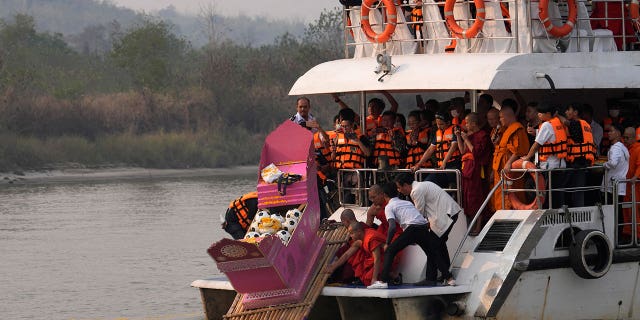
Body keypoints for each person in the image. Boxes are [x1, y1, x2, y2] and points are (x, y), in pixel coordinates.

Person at [367, 183, 448, 289]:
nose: (372, 200)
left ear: (383, 194)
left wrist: (388, 243)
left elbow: (393, 226)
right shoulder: (404, 203)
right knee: (432, 251)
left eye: (374, 197)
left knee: (390, 250)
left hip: (404, 231)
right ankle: (449, 277)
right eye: (370, 198)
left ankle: (383, 280)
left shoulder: (390, 206)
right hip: (414, 228)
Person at [394, 173, 458, 286]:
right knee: (439, 245)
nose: (399, 191)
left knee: (432, 246)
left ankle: (433, 277)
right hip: (448, 213)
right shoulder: (421, 185)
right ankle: (444, 274)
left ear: (405, 185)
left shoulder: (416, 191)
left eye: (399, 187)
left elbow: (419, 213)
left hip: (445, 216)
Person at [521, 103, 568, 208]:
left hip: (549, 166)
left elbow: (536, 144)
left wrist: (527, 158)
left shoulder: (546, 125)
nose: (539, 115)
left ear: (548, 113)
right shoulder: (558, 123)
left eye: (541, 113)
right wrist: (537, 132)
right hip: (560, 165)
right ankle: (559, 214)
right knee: (557, 194)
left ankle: (550, 215)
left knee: (549, 196)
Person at [456, 113, 492, 234]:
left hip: (476, 170)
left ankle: (478, 226)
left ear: (473, 123)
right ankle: (471, 225)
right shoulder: (469, 135)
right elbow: (462, 151)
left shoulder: (483, 135)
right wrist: (459, 137)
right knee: (468, 198)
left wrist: (466, 139)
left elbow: (477, 152)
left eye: (467, 122)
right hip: (467, 169)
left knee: (477, 197)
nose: (465, 125)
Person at [492, 105, 530, 210]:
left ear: (508, 116)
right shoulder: (505, 130)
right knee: (500, 195)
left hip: (509, 169)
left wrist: (509, 163)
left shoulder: (517, 128)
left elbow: (519, 150)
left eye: (501, 117)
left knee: (511, 194)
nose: (499, 120)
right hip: (500, 169)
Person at [411, 112, 461, 188]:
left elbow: (454, 146)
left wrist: (444, 162)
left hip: (453, 166)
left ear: (448, 122)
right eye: (437, 124)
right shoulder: (438, 133)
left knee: (452, 188)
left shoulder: (454, 129)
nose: (439, 126)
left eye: (441, 124)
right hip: (441, 167)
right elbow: (430, 149)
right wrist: (419, 164)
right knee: (427, 183)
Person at [564, 103, 596, 207]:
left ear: (575, 112)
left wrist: (556, 116)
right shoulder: (585, 124)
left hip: (577, 163)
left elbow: (568, 123)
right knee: (577, 190)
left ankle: (576, 213)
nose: (566, 113)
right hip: (582, 161)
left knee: (573, 190)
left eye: (568, 110)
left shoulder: (577, 124)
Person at [601, 124, 629, 205]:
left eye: (611, 131)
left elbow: (613, 163)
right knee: (617, 210)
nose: (608, 133)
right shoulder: (623, 147)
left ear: (618, 133)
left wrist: (604, 164)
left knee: (610, 211)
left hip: (612, 185)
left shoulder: (615, 148)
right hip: (620, 184)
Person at [623, 127, 640, 242]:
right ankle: (628, 233)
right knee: (626, 209)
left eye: (627, 138)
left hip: (635, 186)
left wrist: (635, 177)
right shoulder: (627, 149)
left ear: (634, 138)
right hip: (626, 185)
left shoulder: (638, 149)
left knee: (635, 210)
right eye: (624, 137)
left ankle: (637, 236)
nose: (624, 140)